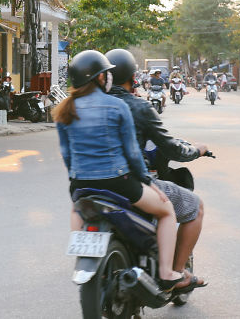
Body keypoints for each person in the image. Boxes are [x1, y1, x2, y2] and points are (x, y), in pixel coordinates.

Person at [55, 50, 185, 290]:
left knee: (77, 209)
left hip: (80, 185)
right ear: (100, 78)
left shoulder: (64, 108)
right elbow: (133, 152)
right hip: (118, 182)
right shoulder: (116, 105)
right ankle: (167, 272)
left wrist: (78, 178)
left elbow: (67, 154)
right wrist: (149, 182)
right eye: (106, 74)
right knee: (167, 210)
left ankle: (84, 258)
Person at [105, 49, 209, 292]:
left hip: (86, 183)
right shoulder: (137, 107)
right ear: (133, 78)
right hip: (128, 181)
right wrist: (196, 150)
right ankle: (176, 273)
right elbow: (170, 148)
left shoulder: (86, 105)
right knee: (194, 206)